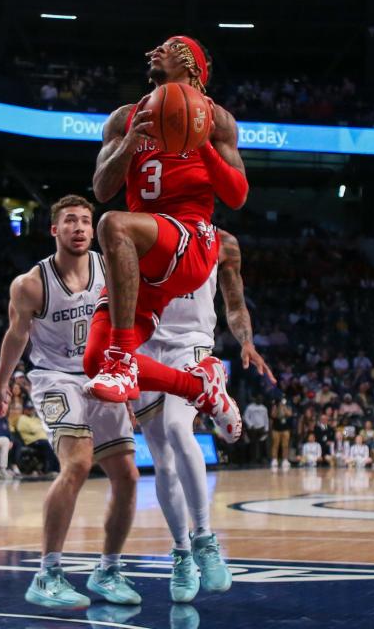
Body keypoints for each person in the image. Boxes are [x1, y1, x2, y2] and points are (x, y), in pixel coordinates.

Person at [84, 36, 247, 443]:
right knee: (93, 361)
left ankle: (124, 360)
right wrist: (128, 144)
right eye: (155, 45)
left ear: (193, 65)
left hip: (193, 239)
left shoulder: (217, 120)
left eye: (169, 46)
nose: (154, 50)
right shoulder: (125, 117)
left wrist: (203, 145)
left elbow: (238, 195)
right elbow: (102, 188)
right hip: (143, 258)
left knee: (111, 225)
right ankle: (202, 389)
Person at [0, 195, 140, 609]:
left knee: (128, 474)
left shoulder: (110, 269)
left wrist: (124, 380)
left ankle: (108, 569)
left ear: (93, 231)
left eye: (86, 221)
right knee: (76, 462)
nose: (79, 227)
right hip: (54, 378)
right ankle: (47, 573)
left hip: (100, 376)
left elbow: (124, 325)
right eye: (70, 221)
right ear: (54, 230)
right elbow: (16, 336)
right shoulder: (30, 283)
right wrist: (1, 385)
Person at [129, 227, 272, 601]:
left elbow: (235, 303)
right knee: (162, 462)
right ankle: (180, 552)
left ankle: (205, 539)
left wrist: (246, 342)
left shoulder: (223, 241)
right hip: (145, 344)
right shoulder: (141, 231)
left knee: (179, 429)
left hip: (191, 343)